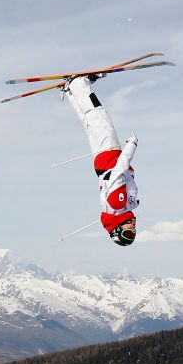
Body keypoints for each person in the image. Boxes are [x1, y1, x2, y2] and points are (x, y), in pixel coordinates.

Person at [63, 75, 139, 246]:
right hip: (105, 159)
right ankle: (72, 90)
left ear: (118, 228)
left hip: (109, 157)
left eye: (128, 232)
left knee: (98, 116)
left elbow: (119, 171)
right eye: (133, 232)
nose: (133, 228)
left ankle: (78, 83)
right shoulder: (121, 208)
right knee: (90, 122)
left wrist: (131, 146)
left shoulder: (116, 204)